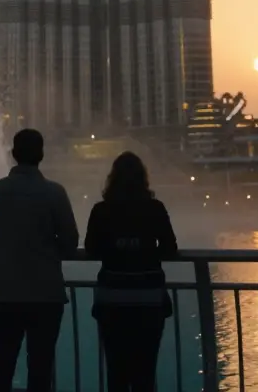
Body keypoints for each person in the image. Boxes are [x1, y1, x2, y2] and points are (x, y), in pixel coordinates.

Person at [0, 128, 79, 392]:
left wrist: (10, 251)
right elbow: (70, 242)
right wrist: (47, 250)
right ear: (41, 155)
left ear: (13, 155)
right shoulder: (55, 193)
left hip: (7, 291)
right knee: (41, 365)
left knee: (3, 362)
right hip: (46, 294)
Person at [84, 151, 178, 392]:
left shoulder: (101, 210)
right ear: (142, 178)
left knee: (116, 371)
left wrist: (116, 250)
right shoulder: (155, 209)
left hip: (112, 299)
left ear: (112, 179)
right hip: (148, 298)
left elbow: (92, 249)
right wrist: (144, 252)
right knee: (145, 371)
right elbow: (170, 249)